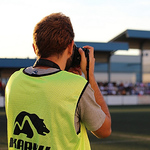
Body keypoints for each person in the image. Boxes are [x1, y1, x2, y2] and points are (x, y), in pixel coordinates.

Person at [5, 13, 111, 150]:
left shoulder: (14, 80)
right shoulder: (76, 86)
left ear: (34, 48)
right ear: (70, 46)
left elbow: (44, 93)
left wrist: (64, 75)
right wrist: (89, 75)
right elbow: (104, 130)